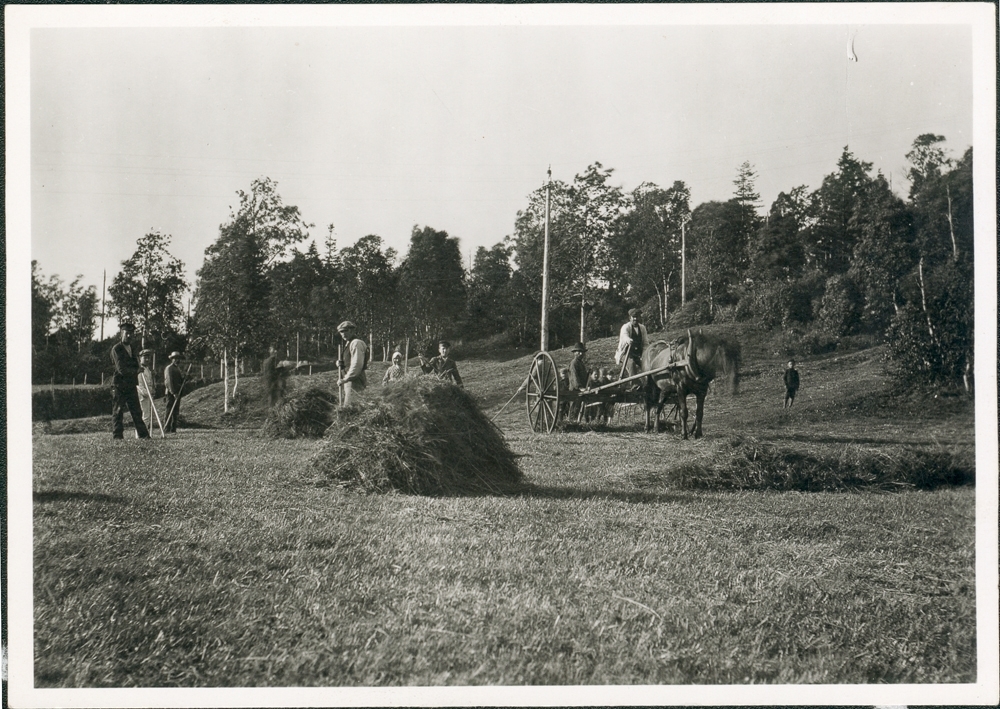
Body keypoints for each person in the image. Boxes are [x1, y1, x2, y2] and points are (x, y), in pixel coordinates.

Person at [110, 322, 150, 440]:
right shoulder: (117, 349)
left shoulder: (132, 348)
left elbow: (134, 364)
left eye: (131, 333)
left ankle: (143, 435)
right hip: (119, 385)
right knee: (118, 411)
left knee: (137, 411)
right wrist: (136, 370)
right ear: (121, 334)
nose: (129, 336)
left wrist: (138, 368)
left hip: (131, 385)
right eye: (127, 333)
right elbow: (121, 369)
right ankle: (117, 436)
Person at [336, 321, 368, 406]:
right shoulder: (348, 343)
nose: (343, 334)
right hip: (349, 380)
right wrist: (339, 363)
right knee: (348, 405)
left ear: (352, 331)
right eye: (341, 332)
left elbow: (357, 365)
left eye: (345, 331)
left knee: (353, 407)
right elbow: (348, 361)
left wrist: (346, 379)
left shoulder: (356, 343)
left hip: (354, 380)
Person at [615, 308, 649, 386]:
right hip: (626, 354)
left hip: (638, 354)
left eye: (637, 317)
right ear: (630, 318)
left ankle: (647, 383)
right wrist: (628, 340)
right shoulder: (626, 327)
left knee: (646, 364)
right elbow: (624, 336)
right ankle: (635, 384)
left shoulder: (642, 328)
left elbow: (645, 343)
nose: (636, 319)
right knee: (631, 364)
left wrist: (644, 355)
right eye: (634, 317)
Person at [136, 349, 157, 436]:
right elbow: (139, 386)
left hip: (149, 395)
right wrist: (147, 393)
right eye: (145, 357)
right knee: (144, 416)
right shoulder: (139, 370)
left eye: (148, 357)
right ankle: (141, 435)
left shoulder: (148, 370)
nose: (147, 359)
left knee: (148, 416)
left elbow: (151, 384)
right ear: (140, 358)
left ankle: (146, 433)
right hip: (143, 395)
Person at [163, 351, 185, 433]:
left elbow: (180, 381)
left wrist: (185, 378)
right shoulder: (169, 368)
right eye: (175, 358)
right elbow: (168, 382)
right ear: (171, 359)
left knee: (175, 411)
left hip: (178, 392)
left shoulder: (177, 369)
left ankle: (173, 428)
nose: (176, 360)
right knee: (169, 410)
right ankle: (166, 428)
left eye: (178, 358)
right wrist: (173, 392)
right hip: (170, 392)